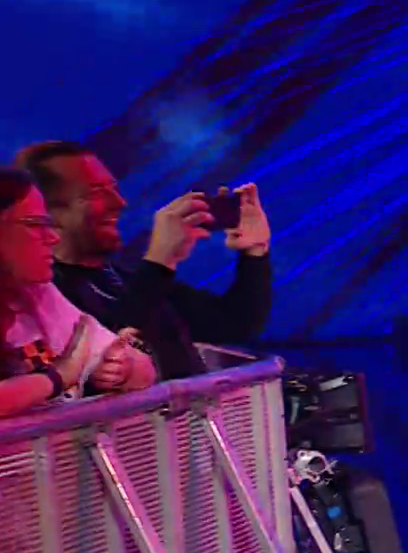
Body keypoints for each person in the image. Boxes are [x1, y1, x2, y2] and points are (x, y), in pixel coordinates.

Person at [15, 141, 273, 379]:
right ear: (45, 211)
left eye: (114, 189)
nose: (119, 202)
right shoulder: (40, 297)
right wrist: (160, 261)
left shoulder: (122, 278)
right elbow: (107, 357)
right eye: (96, 193)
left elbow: (235, 322)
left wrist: (255, 252)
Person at [0, 167, 156, 419]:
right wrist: (57, 377)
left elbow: (143, 369)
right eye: (35, 224)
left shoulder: (37, 294)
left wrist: (122, 369)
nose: (52, 237)